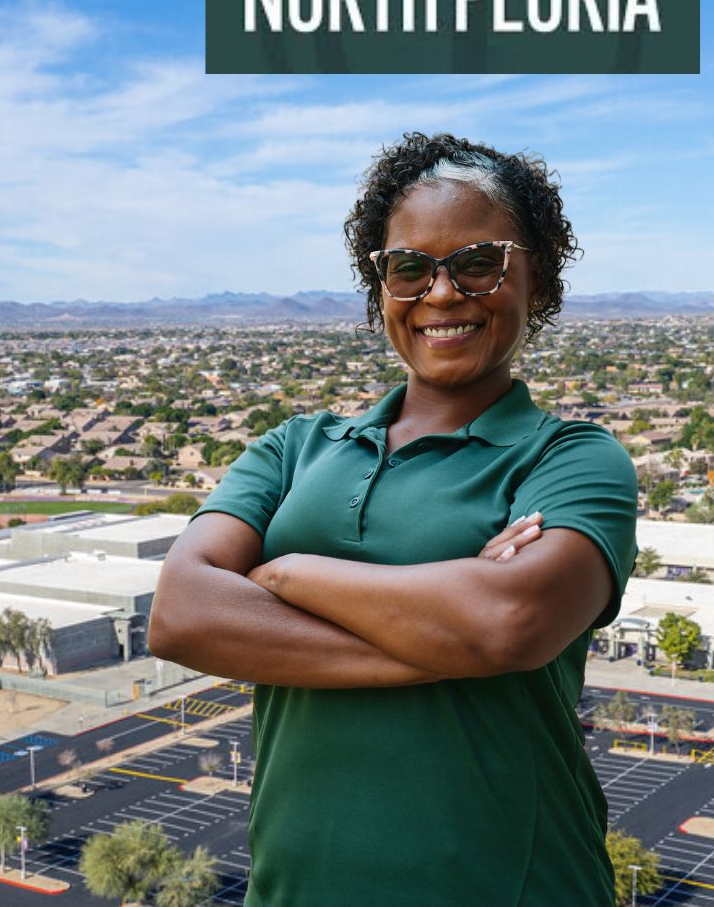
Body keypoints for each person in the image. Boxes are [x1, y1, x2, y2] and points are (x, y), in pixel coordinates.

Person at [148, 132, 638, 907]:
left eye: (479, 262)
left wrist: (288, 574)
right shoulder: (294, 448)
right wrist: (449, 627)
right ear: (380, 289)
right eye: (409, 268)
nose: (442, 293)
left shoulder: (572, 460)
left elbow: (510, 622)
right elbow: (180, 615)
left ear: (536, 278)